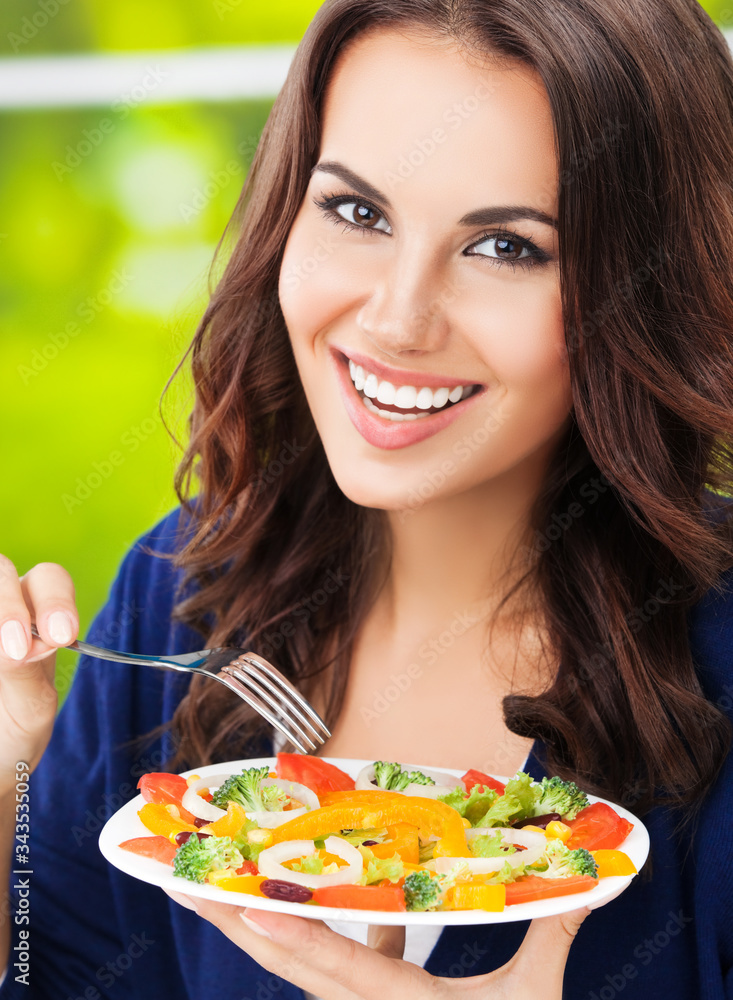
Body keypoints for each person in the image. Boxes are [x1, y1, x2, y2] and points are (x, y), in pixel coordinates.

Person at [2, 0, 733, 997]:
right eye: (356, 211)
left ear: (636, 291)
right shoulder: (182, 590)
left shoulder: (713, 659)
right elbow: (59, 973)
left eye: (506, 247)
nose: (394, 319)